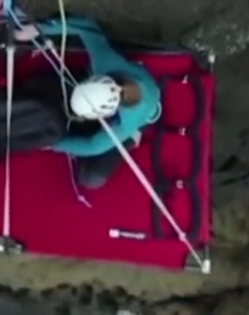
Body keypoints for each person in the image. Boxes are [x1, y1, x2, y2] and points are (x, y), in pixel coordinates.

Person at [13, 16, 161, 189]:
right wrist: (38, 29)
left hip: (136, 123)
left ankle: (131, 139)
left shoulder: (124, 124)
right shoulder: (104, 63)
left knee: (90, 179)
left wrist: (53, 145)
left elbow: (92, 146)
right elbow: (87, 27)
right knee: (35, 85)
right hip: (106, 83)